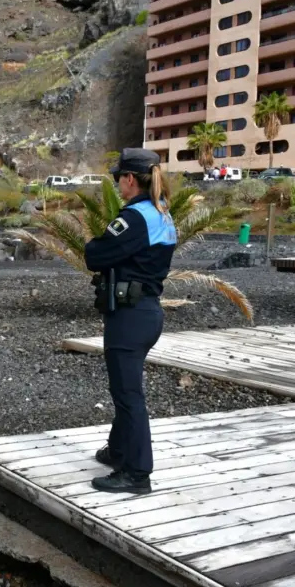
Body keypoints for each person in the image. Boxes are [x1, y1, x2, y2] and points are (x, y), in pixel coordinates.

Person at [85, 148, 176, 495]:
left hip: (130, 316)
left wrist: (98, 244)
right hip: (146, 311)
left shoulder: (134, 218)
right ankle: (119, 450)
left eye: (117, 178)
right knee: (125, 390)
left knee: (128, 394)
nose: (116, 185)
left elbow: (95, 254)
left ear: (129, 179)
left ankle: (137, 473)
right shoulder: (162, 213)